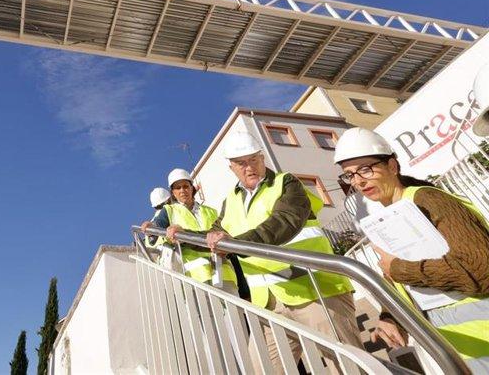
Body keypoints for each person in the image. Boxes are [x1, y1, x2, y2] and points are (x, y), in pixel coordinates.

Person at [334, 127, 489, 372]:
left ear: (392, 166)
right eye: (349, 175)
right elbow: (401, 281)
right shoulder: (389, 216)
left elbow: (481, 269)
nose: (358, 181)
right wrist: (390, 317)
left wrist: (399, 268)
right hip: (454, 346)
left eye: (365, 169)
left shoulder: (429, 200)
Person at [205, 131, 361, 372]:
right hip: (269, 303)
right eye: (241, 163)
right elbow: (213, 234)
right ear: (231, 168)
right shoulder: (231, 201)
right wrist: (177, 233)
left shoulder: (287, 183)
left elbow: (284, 222)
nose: (250, 167)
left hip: (315, 292)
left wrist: (235, 244)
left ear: (262, 158)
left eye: (254, 159)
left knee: (348, 368)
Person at [140, 168, 238, 293]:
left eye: (185, 186)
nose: (182, 190)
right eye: (178, 188)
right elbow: (156, 229)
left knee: (236, 312)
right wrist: (151, 227)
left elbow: (228, 241)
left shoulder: (211, 211)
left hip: (224, 274)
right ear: (173, 193)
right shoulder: (169, 210)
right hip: (195, 278)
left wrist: (244, 288)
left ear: (192, 188)